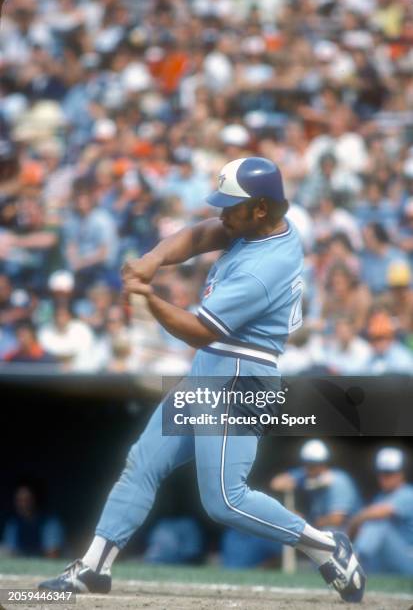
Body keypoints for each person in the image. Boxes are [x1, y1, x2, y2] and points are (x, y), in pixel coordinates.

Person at [39, 158, 365, 602]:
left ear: (263, 208)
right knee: (143, 462)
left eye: (233, 207)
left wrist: (148, 297)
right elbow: (201, 233)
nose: (224, 214)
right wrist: (153, 260)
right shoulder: (257, 225)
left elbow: (201, 329)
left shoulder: (266, 266)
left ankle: (326, 545)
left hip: (239, 376)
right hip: (211, 368)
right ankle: (94, 567)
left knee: (226, 500)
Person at [270, 440, 362, 530]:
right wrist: (288, 483)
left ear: (323, 463)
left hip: (344, 531)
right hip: (317, 526)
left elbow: (336, 520)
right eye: (307, 464)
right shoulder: (306, 475)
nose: (309, 468)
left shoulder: (339, 481)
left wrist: (302, 521)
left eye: (313, 465)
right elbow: (276, 483)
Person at [351, 447, 413, 575]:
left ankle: (351, 563)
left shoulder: (408, 493)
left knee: (379, 524)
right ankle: (352, 562)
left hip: (408, 557)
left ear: (400, 474)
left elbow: (378, 514)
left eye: (389, 473)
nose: (384, 478)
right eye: (382, 473)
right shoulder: (380, 497)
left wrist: (357, 518)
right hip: (385, 558)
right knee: (370, 526)